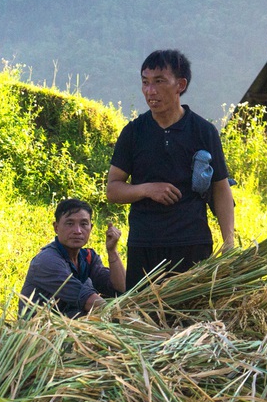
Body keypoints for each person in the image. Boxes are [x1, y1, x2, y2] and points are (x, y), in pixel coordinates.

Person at [107, 49, 236, 288]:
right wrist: (147, 189)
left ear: (180, 85)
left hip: (192, 242)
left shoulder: (203, 131)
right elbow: (113, 190)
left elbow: (221, 188)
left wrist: (229, 244)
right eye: (145, 82)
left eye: (159, 82)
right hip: (144, 244)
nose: (150, 91)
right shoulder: (134, 132)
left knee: (190, 322)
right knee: (143, 322)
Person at [20, 199, 126, 318]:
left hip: (73, 326)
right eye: (70, 224)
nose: (78, 231)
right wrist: (123, 317)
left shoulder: (88, 257)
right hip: (42, 331)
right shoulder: (47, 261)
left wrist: (112, 251)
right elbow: (87, 299)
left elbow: (119, 289)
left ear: (91, 227)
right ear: (56, 227)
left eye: (84, 224)